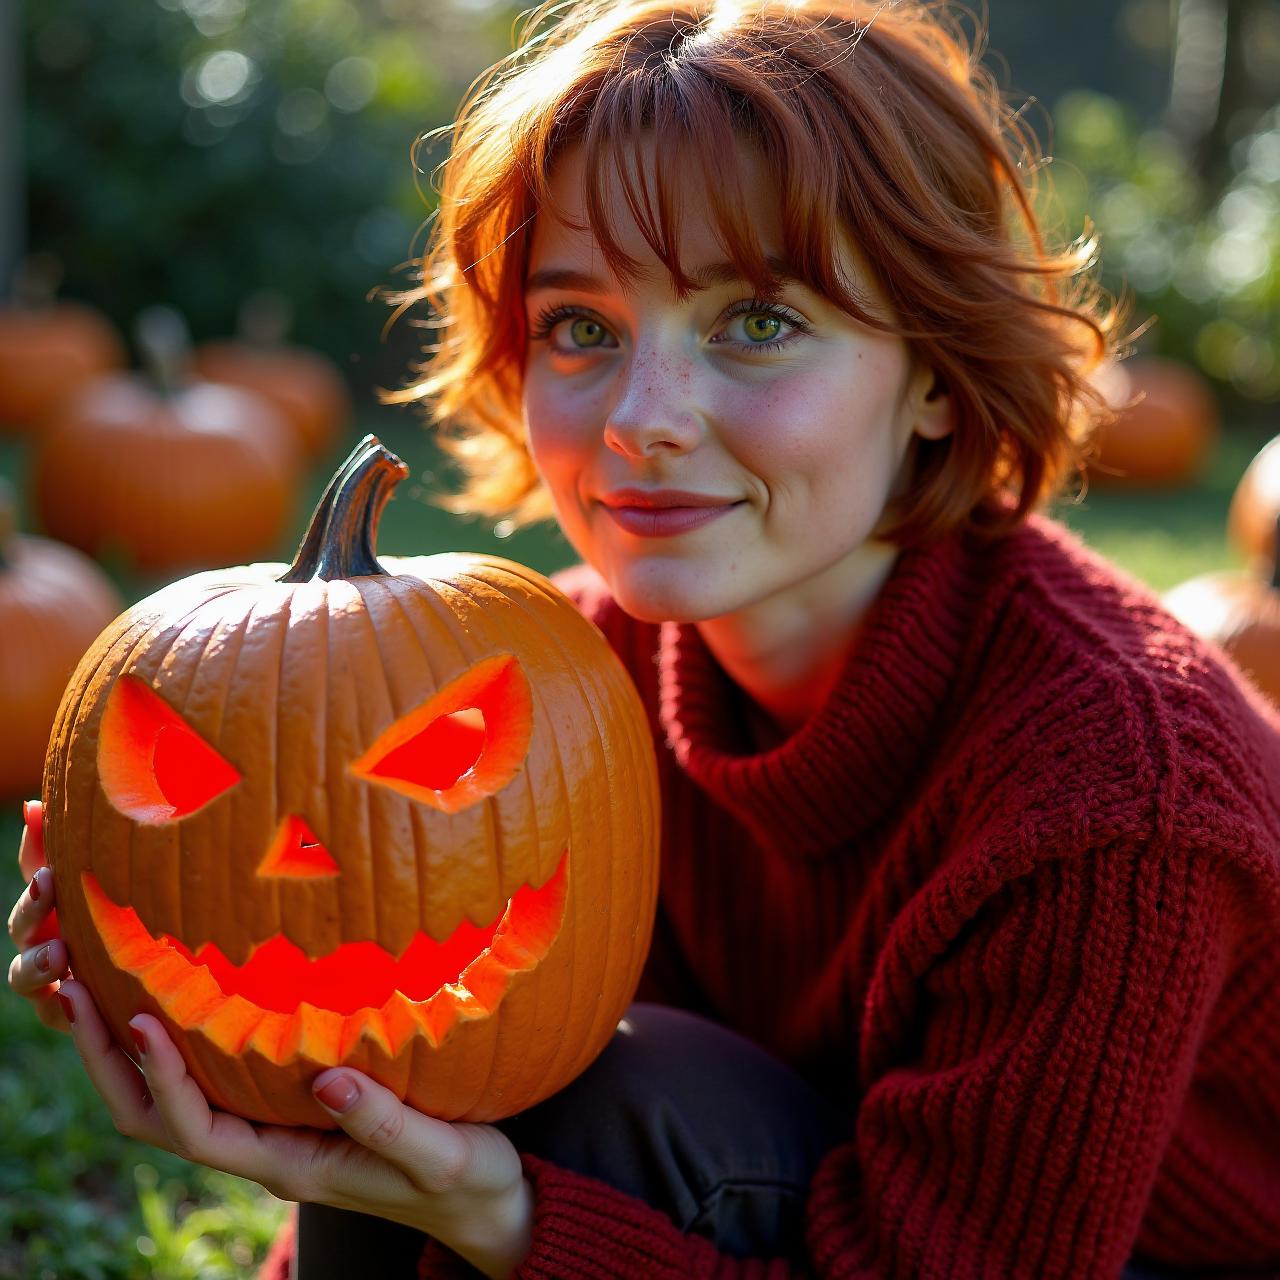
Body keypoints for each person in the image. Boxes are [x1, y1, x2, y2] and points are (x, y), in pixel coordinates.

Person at [8, 0, 1280, 1276]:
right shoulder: (564, 664)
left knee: (633, 1101)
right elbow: (415, 1024)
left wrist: (504, 1219)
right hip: (834, 1170)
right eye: (580, 327)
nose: (641, 416)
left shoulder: (1119, 784)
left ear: (936, 372)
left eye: (758, 320)